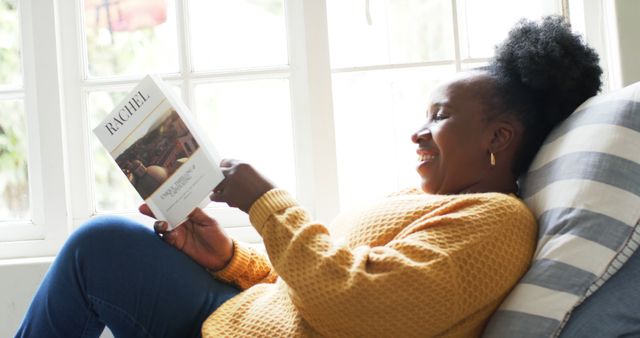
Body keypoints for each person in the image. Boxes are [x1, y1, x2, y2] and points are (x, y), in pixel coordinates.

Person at [16, 16, 602, 337]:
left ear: (498, 139)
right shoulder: (425, 199)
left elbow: (361, 308)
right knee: (103, 241)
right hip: (234, 317)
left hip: (233, 331)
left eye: (440, 117)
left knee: (95, 250)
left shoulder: (497, 225)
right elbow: (315, 282)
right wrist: (228, 260)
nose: (419, 132)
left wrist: (265, 203)